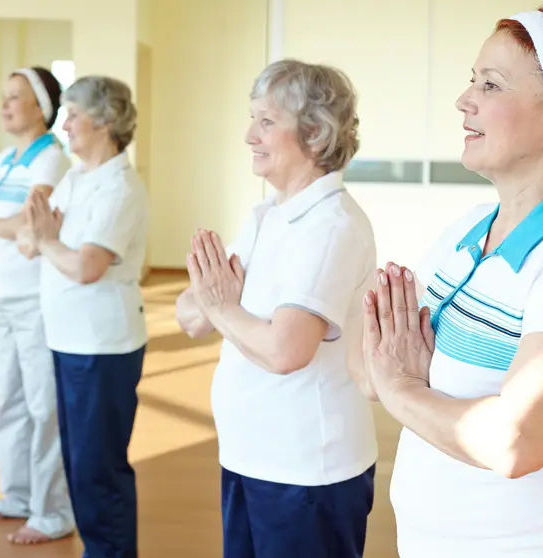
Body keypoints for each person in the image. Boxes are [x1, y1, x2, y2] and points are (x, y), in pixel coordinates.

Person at [360, 6, 543, 557]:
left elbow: (516, 440)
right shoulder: (465, 233)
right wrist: (389, 374)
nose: (466, 100)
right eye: (471, 81)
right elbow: (371, 367)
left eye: (491, 84)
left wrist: (404, 389)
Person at [175, 59, 378, 558]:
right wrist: (220, 307)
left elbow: (286, 349)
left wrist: (221, 304)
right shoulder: (269, 214)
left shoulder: (331, 226)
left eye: (266, 121)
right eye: (252, 118)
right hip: (251, 455)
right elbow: (192, 315)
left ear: (314, 133)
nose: (249, 135)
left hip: (307, 470)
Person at [17, 75, 147, 558]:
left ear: (106, 121)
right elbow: (30, 242)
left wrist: (50, 240)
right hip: (68, 339)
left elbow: (86, 266)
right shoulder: (76, 177)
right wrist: (47, 240)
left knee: (99, 468)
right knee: (78, 464)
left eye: (73, 114)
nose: (63, 123)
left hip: (102, 346)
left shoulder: (121, 189)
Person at [0, 67, 74, 545]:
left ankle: (53, 512)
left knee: (44, 405)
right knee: (11, 401)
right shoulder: (6, 157)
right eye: (2, 96)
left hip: (34, 298)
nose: (4, 105)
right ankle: (18, 496)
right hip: (1, 298)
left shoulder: (51, 161)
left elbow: (30, 224)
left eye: (15, 98)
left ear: (41, 107)